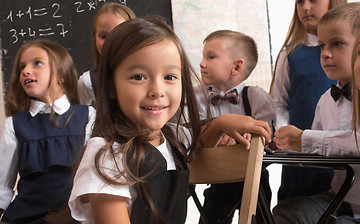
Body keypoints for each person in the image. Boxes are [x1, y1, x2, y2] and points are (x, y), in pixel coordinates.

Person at [68, 17, 272, 224]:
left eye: (170, 77)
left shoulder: (173, 137)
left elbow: (198, 143)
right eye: (138, 77)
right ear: (111, 86)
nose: (157, 91)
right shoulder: (107, 155)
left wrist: (220, 123)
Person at [273, 2, 360, 224]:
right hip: (339, 200)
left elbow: (355, 144)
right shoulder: (325, 101)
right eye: (322, 46)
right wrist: (279, 146)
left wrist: (304, 138)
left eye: (337, 44)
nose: (326, 54)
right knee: (284, 212)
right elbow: (317, 153)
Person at [0, 39, 96, 223]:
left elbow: (93, 179)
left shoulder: (87, 116)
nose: (26, 71)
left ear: (61, 74)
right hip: (25, 218)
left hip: (73, 219)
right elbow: (2, 187)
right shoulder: (13, 124)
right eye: (22, 67)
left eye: (37, 63)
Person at [195, 30, 276, 224]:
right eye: (203, 56)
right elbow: (195, 136)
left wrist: (246, 136)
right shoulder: (197, 96)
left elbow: (266, 136)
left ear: (236, 66)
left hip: (254, 176)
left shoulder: (256, 96)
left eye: (211, 57)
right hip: (217, 176)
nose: (202, 63)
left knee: (259, 219)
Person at [78, 2, 136, 106]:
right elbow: (77, 117)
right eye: (103, 36)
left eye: (119, 35)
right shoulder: (88, 81)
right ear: (94, 38)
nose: (110, 41)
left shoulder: (151, 73)